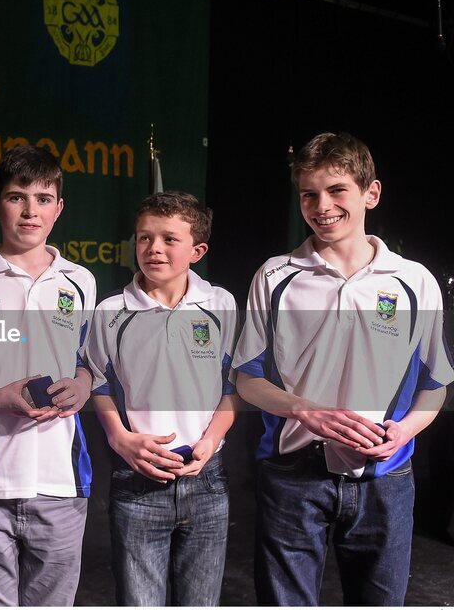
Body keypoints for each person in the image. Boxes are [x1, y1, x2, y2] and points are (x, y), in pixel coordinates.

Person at [233, 132, 453, 605]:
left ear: (371, 193)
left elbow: (437, 384)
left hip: (386, 478)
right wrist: (303, 411)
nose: (321, 206)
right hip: (292, 474)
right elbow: (246, 378)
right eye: (308, 194)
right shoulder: (275, 275)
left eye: (337, 191)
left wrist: (404, 432)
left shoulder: (414, 281)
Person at [87, 191, 238, 606]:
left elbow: (234, 386)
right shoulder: (110, 312)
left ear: (197, 250)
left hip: (206, 479)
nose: (153, 248)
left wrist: (211, 440)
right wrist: (119, 438)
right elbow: (98, 384)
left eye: (169, 239)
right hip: (138, 483)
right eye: (144, 238)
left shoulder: (221, 305)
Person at [0, 145, 96, 607]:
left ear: (58, 208)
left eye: (43, 198)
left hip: (61, 481)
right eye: (17, 197)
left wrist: (82, 384)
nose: (30, 210)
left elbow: (87, 360)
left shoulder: (80, 280)